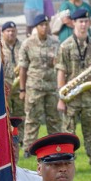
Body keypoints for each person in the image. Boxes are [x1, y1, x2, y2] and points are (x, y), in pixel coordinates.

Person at [56, 9, 91, 172]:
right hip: (71, 97)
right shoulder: (65, 46)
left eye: (85, 21)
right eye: (80, 22)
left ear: (89, 23)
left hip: (90, 95)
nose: (83, 25)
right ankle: (67, 163)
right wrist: (61, 98)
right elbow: (61, 71)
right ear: (73, 23)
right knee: (68, 132)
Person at [19, 14, 62, 155]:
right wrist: (22, 89)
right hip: (34, 87)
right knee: (32, 118)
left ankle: (55, 147)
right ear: (36, 27)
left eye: (46, 24)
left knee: (54, 119)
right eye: (41, 25)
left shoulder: (55, 43)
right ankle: (28, 148)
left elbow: (61, 65)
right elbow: (23, 68)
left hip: (51, 87)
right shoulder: (27, 44)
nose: (44, 27)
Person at [1, 21, 25, 139]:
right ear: (3, 33)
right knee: (6, 114)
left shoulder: (23, 46)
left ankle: (21, 138)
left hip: (20, 86)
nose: (11, 33)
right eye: (8, 31)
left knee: (21, 114)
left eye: (13, 31)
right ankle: (8, 138)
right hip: (6, 87)